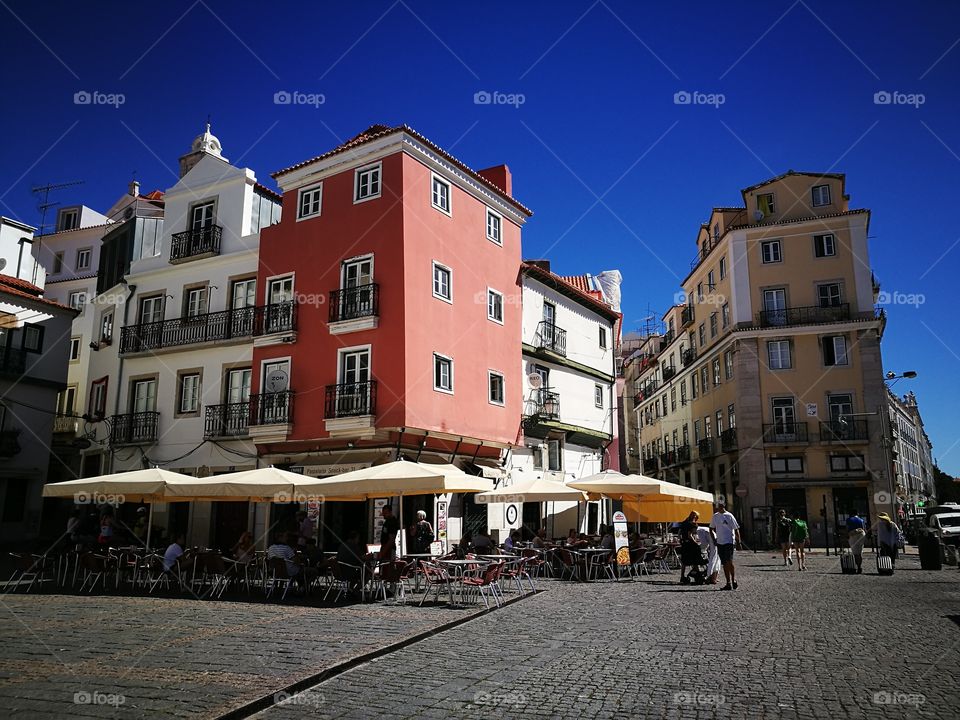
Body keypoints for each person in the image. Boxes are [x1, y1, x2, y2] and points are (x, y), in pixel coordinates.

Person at [710, 499, 741, 590]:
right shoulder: (715, 516)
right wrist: (714, 539)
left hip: (729, 542)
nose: (718, 508)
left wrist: (738, 541)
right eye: (717, 506)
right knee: (724, 563)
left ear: (723, 506)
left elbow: (736, 529)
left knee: (729, 561)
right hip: (720, 542)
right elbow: (711, 528)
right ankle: (728, 582)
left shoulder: (729, 516)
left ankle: (733, 579)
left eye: (720, 506)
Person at [678, 511, 701, 584]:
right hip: (690, 545)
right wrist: (696, 542)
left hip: (684, 544)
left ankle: (682, 576)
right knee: (695, 560)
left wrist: (681, 540)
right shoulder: (693, 524)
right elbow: (690, 535)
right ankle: (698, 575)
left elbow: (679, 533)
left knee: (684, 561)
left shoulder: (684, 522)